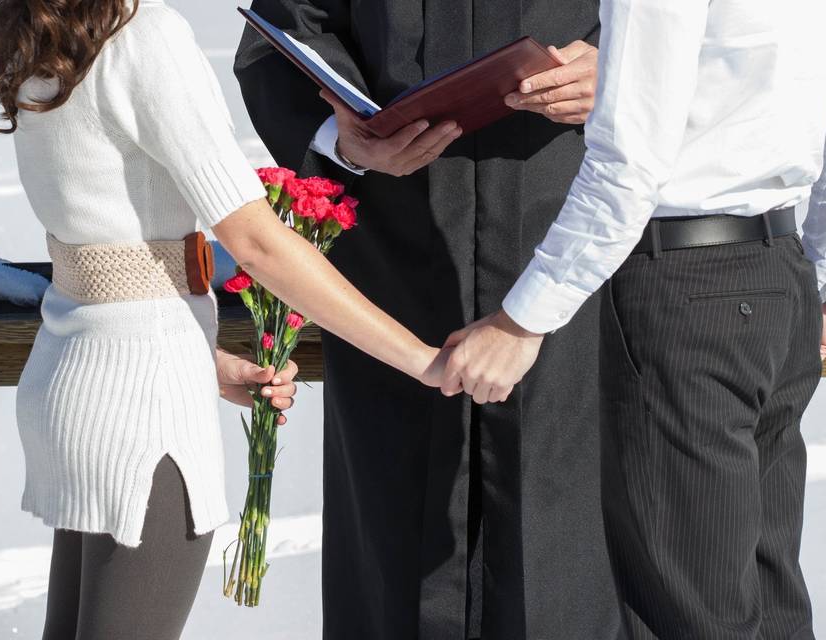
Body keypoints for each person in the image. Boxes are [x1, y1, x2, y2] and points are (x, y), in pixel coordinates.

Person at [0, 0, 452, 638]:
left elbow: (102, 249)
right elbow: (257, 242)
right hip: (145, 407)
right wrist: (425, 360)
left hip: (74, 381)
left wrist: (202, 360)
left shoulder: (35, 34)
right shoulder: (142, 36)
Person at [443, 0, 826, 637]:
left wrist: (524, 321)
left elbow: (627, 164)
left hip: (683, 287)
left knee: (693, 611)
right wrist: (817, 285)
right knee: (770, 602)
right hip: (781, 276)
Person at [234, 2, 624, 639]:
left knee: (566, 558)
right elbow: (277, 40)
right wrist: (339, 135)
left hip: (568, 260)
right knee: (396, 559)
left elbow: (722, 40)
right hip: (393, 273)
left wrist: (624, 74)